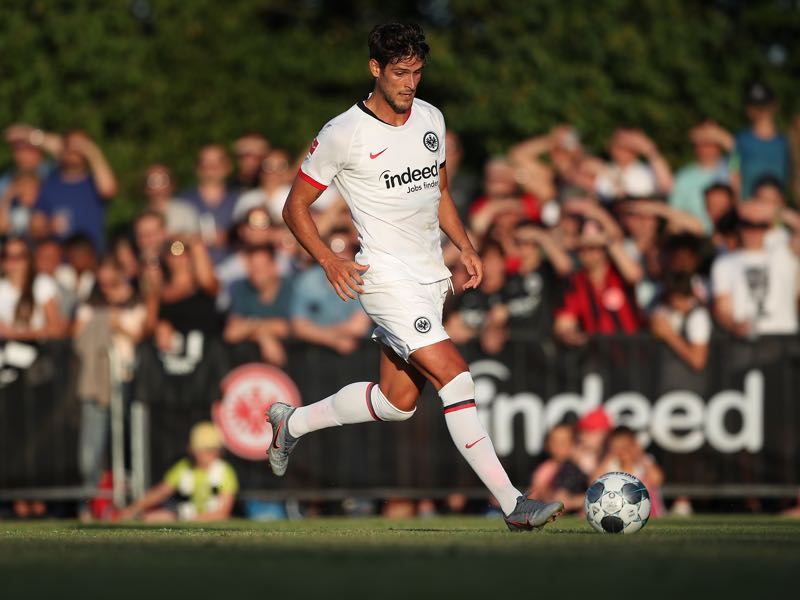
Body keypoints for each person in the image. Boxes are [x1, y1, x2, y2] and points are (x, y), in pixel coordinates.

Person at [268, 22, 563, 532]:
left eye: (417, 72)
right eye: (400, 72)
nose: (410, 83)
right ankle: (513, 503)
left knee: (397, 403)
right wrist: (329, 259)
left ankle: (290, 422)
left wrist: (466, 246)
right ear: (375, 69)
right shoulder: (344, 132)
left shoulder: (430, 117)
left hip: (431, 279)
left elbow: (440, 191)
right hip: (384, 279)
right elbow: (294, 207)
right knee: (455, 373)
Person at [116, 421, 238, 522]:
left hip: (200, 518)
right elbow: (161, 492)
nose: (205, 455)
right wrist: (133, 509)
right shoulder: (184, 468)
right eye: (201, 450)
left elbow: (222, 512)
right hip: (183, 515)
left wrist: (193, 520)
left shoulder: (224, 472)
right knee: (154, 517)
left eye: (209, 450)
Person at [711, 201, 799, 337]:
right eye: (747, 225)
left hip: (785, 337)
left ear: (768, 228)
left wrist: (773, 209)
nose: (754, 231)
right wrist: (735, 326)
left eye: (760, 225)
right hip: (747, 340)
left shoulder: (784, 253)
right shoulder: (724, 264)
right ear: (739, 228)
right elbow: (723, 309)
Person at [32, 130, 117, 253]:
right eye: (70, 145)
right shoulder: (49, 183)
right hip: (60, 264)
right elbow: (35, 227)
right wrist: (49, 227)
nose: (74, 150)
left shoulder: (94, 183)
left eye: (81, 146)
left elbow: (109, 190)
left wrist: (93, 152)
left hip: (92, 261)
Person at [290, 228, 372, 355]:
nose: (341, 256)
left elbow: (359, 327)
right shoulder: (308, 280)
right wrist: (333, 340)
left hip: (357, 356)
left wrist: (318, 332)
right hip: (314, 357)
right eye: (335, 249)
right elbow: (299, 326)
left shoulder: (361, 280)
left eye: (346, 249)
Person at [224, 244, 293, 366]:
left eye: (261, 267)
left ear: (274, 267)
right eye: (252, 267)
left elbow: (292, 328)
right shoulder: (241, 286)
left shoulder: (291, 286)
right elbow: (231, 333)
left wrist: (250, 326)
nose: (255, 272)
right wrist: (263, 337)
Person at [669, 121, 735, 232]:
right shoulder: (684, 177)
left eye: (712, 142)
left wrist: (720, 135)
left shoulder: (732, 169)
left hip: (730, 236)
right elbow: (675, 216)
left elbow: (742, 154)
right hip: (698, 238)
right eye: (702, 143)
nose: (707, 148)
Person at [0, 237, 65, 341]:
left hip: (35, 351)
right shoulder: (2, 287)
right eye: (7, 256)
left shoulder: (42, 284)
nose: (12, 262)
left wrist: (15, 334)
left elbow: (56, 329)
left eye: (18, 257)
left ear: (28, 259)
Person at [734, 81, 791, 198]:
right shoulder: (740, 140)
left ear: (774, 106)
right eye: (755, 106)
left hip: (777, 207)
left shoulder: (785, 142)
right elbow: (733, 170)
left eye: (764, 106)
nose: (759, 111)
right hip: (749, 206)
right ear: (748, 109)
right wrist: (737, 203)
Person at [595, 426, 664, 517]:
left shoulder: (643, 463)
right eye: (617, 447)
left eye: (626, 446)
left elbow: (657, 479)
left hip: (649, 511)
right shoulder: (611, 465)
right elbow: (593, 482)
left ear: (634, 445)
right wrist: (608, 457)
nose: (623, 451)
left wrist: (640, 454)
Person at [529, 423, 587, 513]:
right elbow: (534, 493)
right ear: (548, 444)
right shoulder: (546, 469)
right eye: (554, 441)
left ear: (573, 443)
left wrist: (572, 501)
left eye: (563, 442)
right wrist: (548, 494)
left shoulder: (584, 466)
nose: (558, 446)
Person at [141, 164, 200, 236]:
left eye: (163, 180)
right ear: (145, 187)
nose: (158, 187)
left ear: (171, 185)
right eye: (152, 181)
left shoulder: (185, 212)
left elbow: (194, 242)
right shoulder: (141, 217)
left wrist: (175, 242)